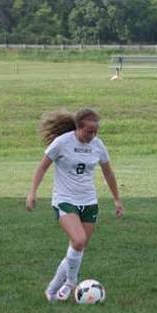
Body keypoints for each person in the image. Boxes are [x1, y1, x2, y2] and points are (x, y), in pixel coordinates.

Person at [26, 108, 124, 302]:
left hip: (89, 202)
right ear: (78, 128)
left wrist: (116, 199)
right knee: (78, 240)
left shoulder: (98, 145)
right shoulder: (62, 143)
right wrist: (32, 192)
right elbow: (42, 166)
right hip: (65, 199)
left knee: (77, 248)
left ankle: (52, 291)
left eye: (96, 131)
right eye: (89, 131)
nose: (93, 135)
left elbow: (108, 172)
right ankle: (71, 281)